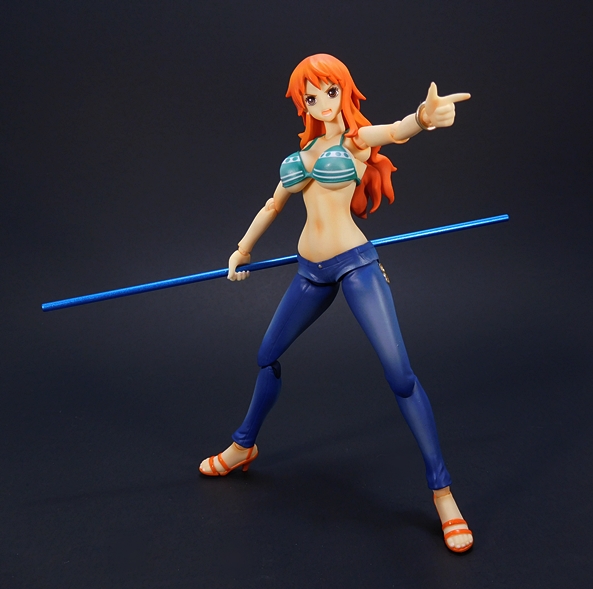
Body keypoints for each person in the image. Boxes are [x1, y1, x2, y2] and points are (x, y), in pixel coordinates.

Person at [199, 54, 473, 553]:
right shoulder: (303, 154)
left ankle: (443, 492)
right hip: (310, 271)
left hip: (354, 266)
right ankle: (243, 446)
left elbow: (396, 131)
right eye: (312, 96)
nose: (323, 103)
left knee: (400, 376)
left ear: (344, 91)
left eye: (330, 92)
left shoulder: (356, 141)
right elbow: (273, 205)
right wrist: (243, 249)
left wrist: (423, 117)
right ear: (302, 103)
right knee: (267, 356)